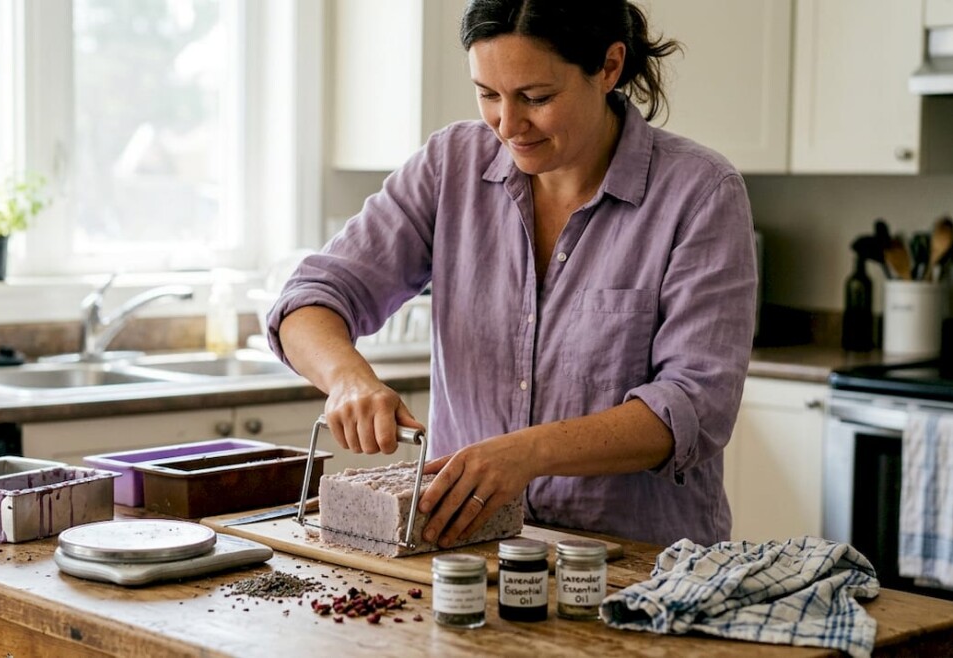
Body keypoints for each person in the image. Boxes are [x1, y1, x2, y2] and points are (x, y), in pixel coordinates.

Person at [266, 0, 756, 549]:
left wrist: (527, 453)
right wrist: (347, 377)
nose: (507, 124)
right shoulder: (450, 165)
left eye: (536, 97)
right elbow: (309, 300)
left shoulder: (701, 192)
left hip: (638, 568)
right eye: (488, 94)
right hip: (468, 552)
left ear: (609, 67)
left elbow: (694, 406)